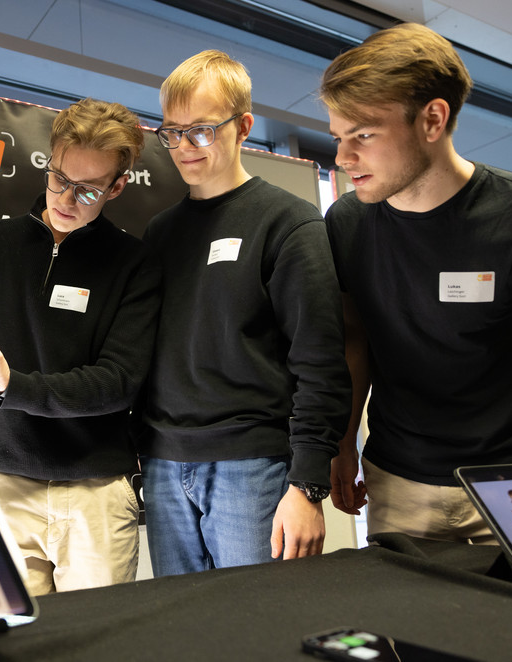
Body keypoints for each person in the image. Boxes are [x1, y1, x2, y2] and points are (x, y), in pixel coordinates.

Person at [320, 22, 512, 542]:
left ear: (432, 119)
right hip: (398, 480)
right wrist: (343, 444)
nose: (343, 158)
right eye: (338, 138)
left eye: (363, 135)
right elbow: (354, 344)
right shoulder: (346, 223)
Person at [0, 98, 159, 594]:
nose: (67, 199)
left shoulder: (135, 263)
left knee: (96, 642)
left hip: (95, 492)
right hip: (0, 481)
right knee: (14, 643)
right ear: (49, 162)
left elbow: (117, 383)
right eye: (60, 180)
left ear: (117, 186)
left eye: (88, 191)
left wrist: (8, 383)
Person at [136, 49, 351, 576]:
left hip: (252, 468)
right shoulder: (159, 233)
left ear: (244, 127)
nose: (183, 147)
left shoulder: (290, 223)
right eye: (172, 132)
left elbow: (320, 361)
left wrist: (307, 484)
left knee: (260, 635)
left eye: (202, 131)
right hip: (164, 467)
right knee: (183, 633)